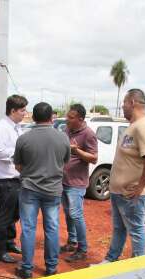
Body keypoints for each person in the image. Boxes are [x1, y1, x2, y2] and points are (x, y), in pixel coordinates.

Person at [95, 89, 145, 264]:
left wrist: (140, 187)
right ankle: (111, 260)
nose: (122, 107)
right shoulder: (133, 126)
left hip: (131, 193)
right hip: (119, 192)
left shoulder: (143, 126)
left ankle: (137, 267)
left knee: (136, 230)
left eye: (123, 103)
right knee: (119, 229)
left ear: (132, 102)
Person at [13, 102, 70, 279]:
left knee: (28, 228)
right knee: (52, 228)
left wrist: (30, 174)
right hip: (53, 190)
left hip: (29, 189)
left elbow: (18, 165)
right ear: (51, 117)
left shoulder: (24, 138)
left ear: (34, 117)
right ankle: (51, 268)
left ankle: (27, 269)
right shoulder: (63, 138)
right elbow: (65, 162)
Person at [0, 95, 28, 263]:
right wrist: (18, 155)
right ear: (13, 110)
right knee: (5, 215)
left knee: (14, 214)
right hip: (6, 179)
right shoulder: (1, 128)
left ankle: (9, 242)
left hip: (17, 179)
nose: (25, 113)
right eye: (22, 110)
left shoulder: (16, 127)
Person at [60, 104, 98, 263]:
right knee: (68, 214)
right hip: (64, 180)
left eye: (71, 117)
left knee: (76, 214)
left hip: (77, 183)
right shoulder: (67, 130)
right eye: (67, 116)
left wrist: (77, 151)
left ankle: (82, 249)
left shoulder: (88, 134)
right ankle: (72, 242)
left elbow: (94, 158)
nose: (67, 119)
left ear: (80, 119)